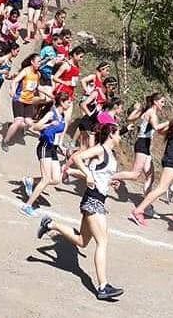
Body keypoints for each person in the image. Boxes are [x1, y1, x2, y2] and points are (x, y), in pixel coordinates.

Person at [35, 123, 124, 301]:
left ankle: (50, 224)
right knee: (103, 242)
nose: (120, 137)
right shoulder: (99, 149)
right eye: (119, 133)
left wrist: (109, 182)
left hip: (98, 199)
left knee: (82, 242)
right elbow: (77, 157)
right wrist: (87, 174)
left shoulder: (109, 155)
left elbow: (99, 174)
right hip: (93, 201)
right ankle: (103, 286)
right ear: (111, 135)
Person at [21, 92, 73, 217]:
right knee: (46, 179)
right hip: (44, 146)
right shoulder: (51, 114)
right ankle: (27, 206)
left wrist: (61, 146)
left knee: (56, 179)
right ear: (62, 102)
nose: (70, 104)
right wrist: (49, 124)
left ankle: (31, 181)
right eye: (68, 102)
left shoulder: (62, 115)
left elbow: (58, 134)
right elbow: (36, 127)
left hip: (53, 148)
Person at [111, 93, 165, 202]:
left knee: (150, 176)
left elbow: (130, 118)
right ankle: (109, 177)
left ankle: (146, 204)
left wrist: (138, 110)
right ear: (155, 101)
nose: (163, 104)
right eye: (162, 102)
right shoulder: (151, 113)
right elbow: (156, 127)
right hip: (142, 143)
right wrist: (170, 123)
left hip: (145, 144)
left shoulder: (147, 111)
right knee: (135, 174)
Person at [2, 53, 44, 152]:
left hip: (29, 101)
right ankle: (6, 141)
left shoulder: (38, 74)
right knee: (19, 121)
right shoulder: (26, 71)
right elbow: (15, 81)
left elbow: (37, 87)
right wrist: (12, 89)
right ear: (32, 62)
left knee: (29, 123)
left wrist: (46, 95)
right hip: (19, 99)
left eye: (40, 62)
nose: (40, 64)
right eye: (38, 62)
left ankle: (13, 126)